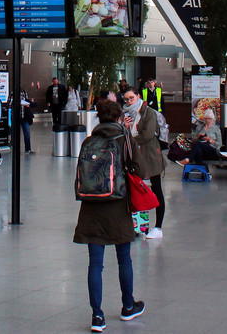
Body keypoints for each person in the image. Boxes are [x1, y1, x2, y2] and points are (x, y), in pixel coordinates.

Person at [73, 100, 145, 332]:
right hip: (117, 205)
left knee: (95, 263)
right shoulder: (125, 139)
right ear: (118, 118)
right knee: (124, 258)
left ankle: (97, 317)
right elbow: (141, 170)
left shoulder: (89, 140)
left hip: (91, 208)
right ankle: (127, 306)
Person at [122, 89, 165, 239]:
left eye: (131, 98)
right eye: (126, 99)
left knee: (156, 188)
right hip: (134, 157)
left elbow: (147, 135)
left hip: (150, 156)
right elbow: (125, 134)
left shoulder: (148, 112)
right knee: (135, 190)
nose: (129, 102)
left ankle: (158, 226)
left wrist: (131, 139)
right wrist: (125, 128)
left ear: (138, 96)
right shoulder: (126, 114)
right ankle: (138, 225)